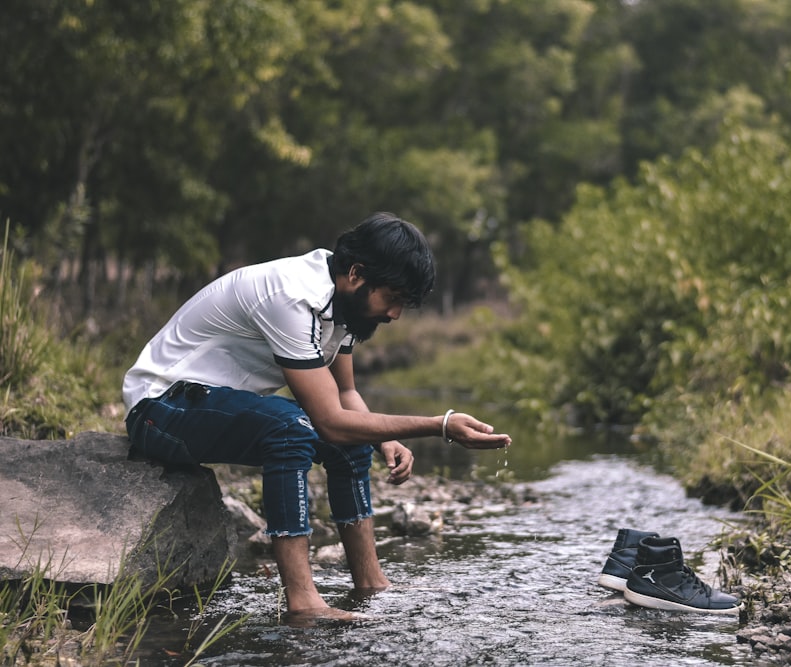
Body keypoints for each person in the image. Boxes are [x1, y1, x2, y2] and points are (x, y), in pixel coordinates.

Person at [122, 212, 511, 621]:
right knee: (292, 430)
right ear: (357, 274)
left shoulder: (342, 302)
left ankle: (371, 583)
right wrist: (440, 425)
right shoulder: (293, 296)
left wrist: (383, 438)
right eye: (392, 299)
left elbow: (345, 395)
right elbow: (329, 421)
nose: (394, 314)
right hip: (159, 409)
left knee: (351, 442)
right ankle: (303, 603)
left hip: (206, 404)